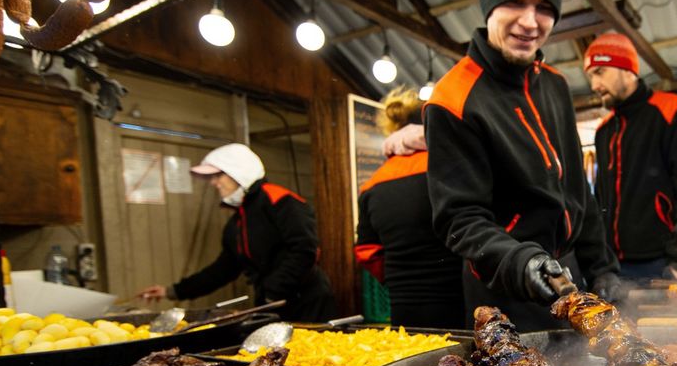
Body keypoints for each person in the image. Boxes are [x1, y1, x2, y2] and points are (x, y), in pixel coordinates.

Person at [424, 0, 621, 331]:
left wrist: (602, 269)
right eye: (515, 2)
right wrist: (521, 260)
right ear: (490, 4)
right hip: (504, 286)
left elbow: (577, 193)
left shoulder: (556, 84)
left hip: (566, 276)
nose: (531, 22)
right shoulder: (453, 98)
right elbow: (460, 218)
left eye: (545, 7)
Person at [137, 143, 334, 322]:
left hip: (306, 301)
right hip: (272, 302)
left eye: (218, 175)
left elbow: (305, 249)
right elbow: (224, 269)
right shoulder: (238, 220)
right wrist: (171, 291)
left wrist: (273, 290)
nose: (214, 183)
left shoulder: (281, 201)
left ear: (239, 172)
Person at [585, 32, 677, 282]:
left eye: (599, 72)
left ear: (627, 69)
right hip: (613, 269)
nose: (594, 85)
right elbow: (600, 198)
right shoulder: (603, 130)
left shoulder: (670, 111)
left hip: (660, 265)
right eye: (590, 76)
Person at [355, 87, 464, 328]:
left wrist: (399, 277)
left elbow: (366, 250)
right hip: (457, 298)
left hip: (403, 302)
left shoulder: (372, 185)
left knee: (414, 364)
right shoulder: (449, 168)